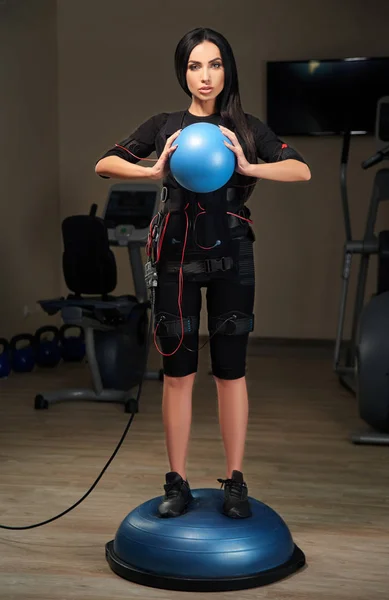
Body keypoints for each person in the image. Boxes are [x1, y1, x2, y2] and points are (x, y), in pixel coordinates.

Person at [95, 27, 311, 520]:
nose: (205, 75)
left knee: (230, 373)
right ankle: (178, 482)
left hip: (233, 258)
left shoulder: (246, 128)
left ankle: (235, 482)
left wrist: (247, 165)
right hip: (173, 258)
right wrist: (153, 170)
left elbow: (301, 170)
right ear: (184, 73)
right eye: (195, 66)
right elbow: (104, 164)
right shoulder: (165, 125)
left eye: (213, 64)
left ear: (226, 69)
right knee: (178, 375)